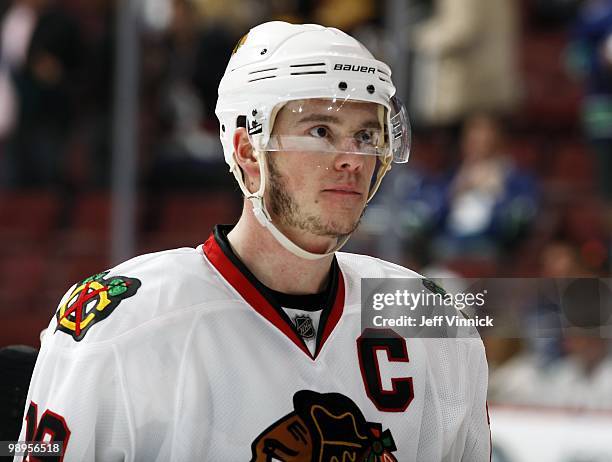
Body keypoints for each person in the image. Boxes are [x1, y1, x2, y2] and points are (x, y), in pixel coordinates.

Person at [15, 22, 490, 461]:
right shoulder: (124, 324)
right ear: (247, 153)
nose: (352, 158)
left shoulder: (433, 321)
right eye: (321, 131)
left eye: (367, 135)